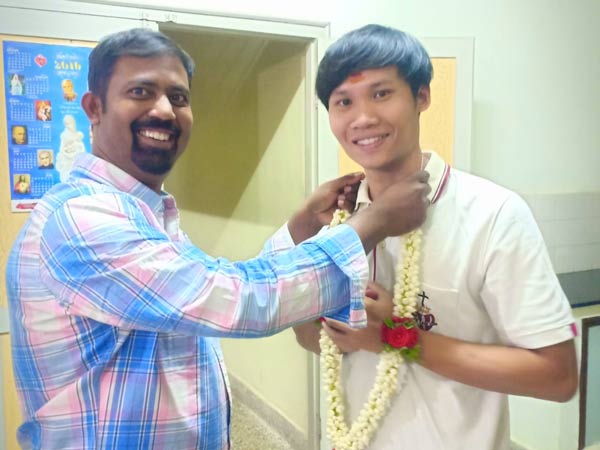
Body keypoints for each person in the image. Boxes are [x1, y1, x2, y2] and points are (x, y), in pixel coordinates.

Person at [5, 28, 431, 450]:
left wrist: (301, 226)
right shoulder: (83, 219)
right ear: (94, 108)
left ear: (421, 99)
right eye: (140, 92)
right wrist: (373, 223)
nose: (164, 111)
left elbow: (217, 286)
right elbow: (239, 299)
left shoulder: (142, 211)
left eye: (178, 97)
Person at [293, 24, 578, 450]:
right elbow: (310, 339)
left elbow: (557, 376)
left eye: (381, 93)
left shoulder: (493, 214)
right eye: (344, 102)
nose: (363, 117)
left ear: (422, 96)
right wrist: (307, 260)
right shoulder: (335, 219)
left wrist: (396, 335)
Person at [56, 114, 86, 181]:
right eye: (66, 124)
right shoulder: (64, 135)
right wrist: (67, 152)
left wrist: (78, 149)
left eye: (69, 123)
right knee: (67, 174)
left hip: (77, 158)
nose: (68, 126)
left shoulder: (78, 134)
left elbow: (81, 148)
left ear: (73, 123)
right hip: (67, 159)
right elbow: (62, 149)